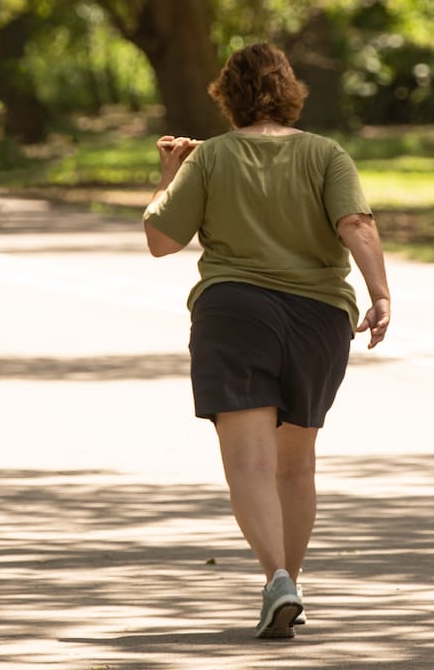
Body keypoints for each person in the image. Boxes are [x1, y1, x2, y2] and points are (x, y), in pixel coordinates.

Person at [141, 43, 391, 639]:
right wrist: (381, 293)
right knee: (296, 464)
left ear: (226, 97)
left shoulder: (211, 159)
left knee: (249, 461)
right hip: (319, 317)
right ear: (290, 90)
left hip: (235, 313)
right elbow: (356, 224)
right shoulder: (327, 154)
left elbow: (160, 239)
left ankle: (277, 577)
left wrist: (171, 171)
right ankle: (288, 585)